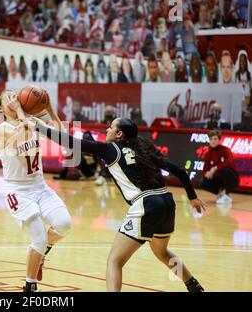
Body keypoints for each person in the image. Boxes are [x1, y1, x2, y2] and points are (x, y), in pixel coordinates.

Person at [34, 117, 206, 292]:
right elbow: (180, 172)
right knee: (162, 253)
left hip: (146, 203)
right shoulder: (145, 148)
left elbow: (70, 142)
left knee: (114, 261)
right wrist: (192, 197)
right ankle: (193, 285)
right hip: (167, 202)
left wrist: (40, 128)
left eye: (110, 127)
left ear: (119, 133)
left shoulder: (110, 150)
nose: (107, 130)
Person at [0, 90, 72, 292]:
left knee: (64, 224)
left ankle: (44, 251)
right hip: (18, 191)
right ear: (1, 108)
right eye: (8, 98)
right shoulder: (2, 128)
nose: (14, 99)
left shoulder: (31, 121)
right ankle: (30, 285)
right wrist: (21, 110)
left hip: (40, 186)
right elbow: (24, 136)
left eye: (15, 96)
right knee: (38, 237)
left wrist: (50, 110)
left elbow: (63, 138)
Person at [199, 130, 240, 204]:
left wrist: (215, 168)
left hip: (231, 178)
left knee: (226, 171)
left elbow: (229, 162)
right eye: (211, 139)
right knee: (202, 182)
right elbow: (204, 170)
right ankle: (221, 193)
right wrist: (206, 174)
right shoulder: (208, 154)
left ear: (219, 140)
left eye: (215, 139)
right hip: (217, 179)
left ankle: (226, 192)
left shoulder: (225, 150)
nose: (213, 141)